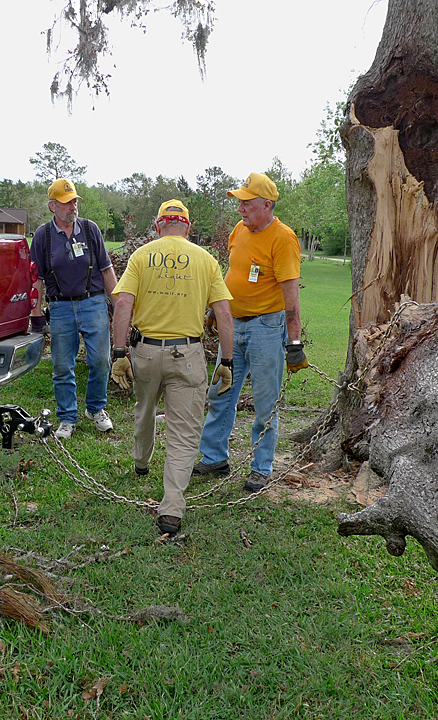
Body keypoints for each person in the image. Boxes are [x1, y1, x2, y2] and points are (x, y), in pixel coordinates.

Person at [110, 199, 234, 536]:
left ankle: (140, 462)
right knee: (184, 432)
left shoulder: (141, 255)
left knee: (144, 409)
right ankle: (171, 510)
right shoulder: (206, 260)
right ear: (188, 227)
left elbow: (123, 303)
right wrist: (226, 360)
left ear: (159, 225)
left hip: (146, 352)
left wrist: (118, 353)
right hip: (189, 354)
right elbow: (223, 313)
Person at [193, 172, 308, 492]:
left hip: (266, 329)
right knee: (220, 392)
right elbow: (233, 274)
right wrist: (217, 310)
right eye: (239, 203)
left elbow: (291, 294)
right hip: (233, 327)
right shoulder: (239, 231)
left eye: (246, 203)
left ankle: (261, 466)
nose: (240, 209)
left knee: (264, 401)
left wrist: (294, 340)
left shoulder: (283, 238)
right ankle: (214, 457)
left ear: (267, 205)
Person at [29, 177, 118, 440]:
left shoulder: (90, 230)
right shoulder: (42, 237)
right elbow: (36, 279)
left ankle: (96, 408)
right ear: (52, 206)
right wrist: (35, 314)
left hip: (93, 303)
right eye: (67, 203)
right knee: (62, 365)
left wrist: (120, 306)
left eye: (75, 201)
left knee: (101, 360)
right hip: (60, 308)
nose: (73, 207)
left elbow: (107, 271)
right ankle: (67, 417)